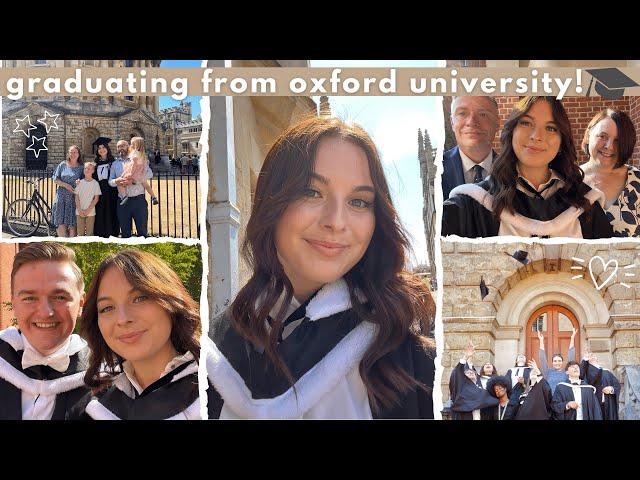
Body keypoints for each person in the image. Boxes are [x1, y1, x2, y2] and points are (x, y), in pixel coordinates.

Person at [206, 116, 436, 419]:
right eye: (312, 192)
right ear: (271, 203)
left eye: (359, 201)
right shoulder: (216, 354)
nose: (336, 222)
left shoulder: (408, 355)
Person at [67, 250, 211, 420]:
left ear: (170, 301)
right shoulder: (94, 409)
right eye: (107, 308)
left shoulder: (217, 394)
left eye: (139, 298)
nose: (122, 319)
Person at [442, 96, 614, 239]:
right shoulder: (470, 207)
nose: (537, 136)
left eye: (551, 128)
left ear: (562, 140)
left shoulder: (585, 206)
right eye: (526, 123)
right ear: (511, 131)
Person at [0, 242, 89, 419]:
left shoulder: (106, 381)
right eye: (29, 298)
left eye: (60, 297)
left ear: (81, 304)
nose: (45, 312)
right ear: (14, 303)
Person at [581, 109, 639, 236]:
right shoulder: (567, 181)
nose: (609, 146)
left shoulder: (637, 181)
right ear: (588, 135)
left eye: (617, 141)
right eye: (603, 136)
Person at [442, 96, 500, 200]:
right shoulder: (436, 173)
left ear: (497, 122)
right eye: (462, 114)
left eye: (483, 114)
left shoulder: (515, 173)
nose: (471, 122)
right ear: (452, 122)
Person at [108, 139, 153, 238]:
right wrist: (116, 181)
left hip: (139, 201)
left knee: (142, 233)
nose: (121, 148)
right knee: (125, 233)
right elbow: (110, 181)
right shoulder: (115, 164)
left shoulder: (137, 158)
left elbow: (149, 173)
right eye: (118, 146)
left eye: (123, 146)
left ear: (129, 146)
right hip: (123, 202)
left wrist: (134, 181)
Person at [448, 341, 498, 420]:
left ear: (476, 375)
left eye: (472, 372)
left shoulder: (482, 388)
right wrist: (466, 357)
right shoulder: (462, 388)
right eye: (467, 372)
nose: (470, 372)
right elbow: (457, 373)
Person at [51, 145, 84, 237]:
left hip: (74, 198)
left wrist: (79, 183)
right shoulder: (62, 165)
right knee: (60, 221)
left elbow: (85, 182)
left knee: (72, 223)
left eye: (75, 152)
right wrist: (66, 185)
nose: (73, 154)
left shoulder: (82, 167)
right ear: (68, 154)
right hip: (61, 196)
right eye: (71, 152)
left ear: (78, 154)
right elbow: (55, 179)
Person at [117, 136, 158, 206]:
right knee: (146, 185)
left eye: (132, 144)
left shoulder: (134, 153)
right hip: (141, 174)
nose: (130, 145)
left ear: (136, 145)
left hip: (134, 173)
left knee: (120, 183)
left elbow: (134, 164)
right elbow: (144, 164)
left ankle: (124, 196)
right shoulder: (142, 154)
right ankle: (154, 197)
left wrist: (130, 173)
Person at [92, 137, 120, 238]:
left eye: (103, 147)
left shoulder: (114, 162)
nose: (101, 149)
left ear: (107, 148)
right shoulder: (95, 164)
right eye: (99, 148)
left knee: (111, 212)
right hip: (99, 193)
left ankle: (112, 233)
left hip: (111, 192)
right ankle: (100, 234)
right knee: (100, 213)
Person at [580, 351, 621, 420]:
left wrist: (611, 389)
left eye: (593, 355)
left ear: (597, 359)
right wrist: (585, 360)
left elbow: (617, 385)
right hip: (594, 404)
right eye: (589, 356)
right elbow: (584, 377)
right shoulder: (585, 373)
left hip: (608, 403)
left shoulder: (607, 372)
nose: (592, 357)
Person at [537, 327, 576, 393]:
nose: (557, 363)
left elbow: (571, 357)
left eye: (559, 361)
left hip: (563, 399)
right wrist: (541, 340)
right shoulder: (547, 372)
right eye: (555, 361)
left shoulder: (567, 372)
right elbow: (542, 358)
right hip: (550, 399)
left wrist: (572, 338)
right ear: (552, 363)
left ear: (562, 362)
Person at [74, 162, 102, 237]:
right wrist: (79, 210)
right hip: (79, 212)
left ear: (93, 171)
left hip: (90, 212)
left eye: (89, 169)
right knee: (80, 234)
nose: (87, 170)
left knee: (90, 234)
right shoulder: (79, 182)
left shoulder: (95, 183)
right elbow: (76, 196)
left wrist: (88, 210)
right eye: (85, 168)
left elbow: (96, 199)